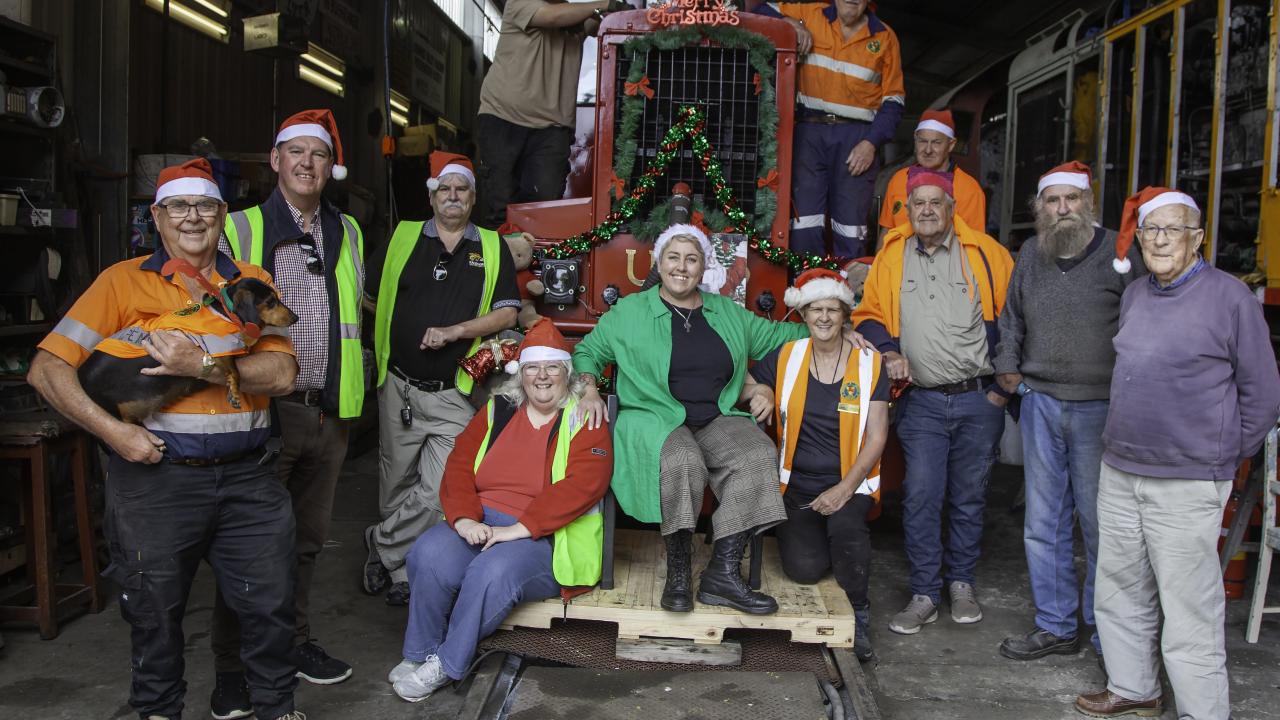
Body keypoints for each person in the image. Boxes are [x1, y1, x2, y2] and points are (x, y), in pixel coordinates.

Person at [26, 159, 304, 720]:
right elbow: (46, 370)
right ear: (157, 217)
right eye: (178, 207)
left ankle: (276, 709)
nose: (192, 218)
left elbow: (281, 377)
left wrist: (200, 364)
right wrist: (113, 432)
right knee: (152, 611)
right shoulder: (120, 282)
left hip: (249, 477)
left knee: (272, 605)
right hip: (155, 480)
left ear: (223, 215)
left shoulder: (250, 282)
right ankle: (158, 711)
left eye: (205, 206)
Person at [1075, 188, 1280, 720]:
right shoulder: (1137, 294)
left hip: (1188, 479)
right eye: (1150, 230)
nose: (1160, 240)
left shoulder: (1230, 298)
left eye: (1173, 229)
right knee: (1118, 586)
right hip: (1120, 467)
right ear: (1139, 238)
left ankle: (1202, 712)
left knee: (1190, 605)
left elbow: (1262, 391)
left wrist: (1226, 455)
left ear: (1198, 237)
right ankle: (1134, 687)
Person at [210, 108, 364, 714]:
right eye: (294, 152)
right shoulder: (240, 228)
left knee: (305, 543)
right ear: (274, 161)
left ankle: (292, 645)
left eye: (318, 154)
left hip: (328, 412)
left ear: (331, 166)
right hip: (261, 413)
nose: (307, 163)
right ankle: (232, 669)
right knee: (245, 547)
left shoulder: (348, 230)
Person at [573, 224, 810, 615]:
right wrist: (588, 388)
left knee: (756, 454)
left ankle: (723, 573)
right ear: (658, 262)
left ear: (703, 269)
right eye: (673, 257)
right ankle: (679, 570)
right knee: (681, 459)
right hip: (655, 418)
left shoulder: (727, 312)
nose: (681, 267)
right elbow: (587, 353)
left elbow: (781, 335)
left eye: (691, 259)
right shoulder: (630, 311)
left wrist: (834, 329)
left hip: (717, 415)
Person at [387, 319, 612, 702]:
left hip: (546, 536)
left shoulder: (583, 415)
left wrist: (518, 529)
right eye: (533, 368)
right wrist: (464, 518)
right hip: (482, 519)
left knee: (491, 571)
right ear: (520, 373)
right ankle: (419, 653)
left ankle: (447, 662)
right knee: (427, 552)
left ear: (566, 372)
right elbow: (458, 463)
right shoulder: (499, 409)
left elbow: (585, 485)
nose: (542, 377)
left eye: (552, 367)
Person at [992, 162, 1145, 664]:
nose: (1062, 210)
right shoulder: (1032, 255)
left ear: (1088, 203)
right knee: (1043, 521)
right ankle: (1056, 625)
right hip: (1040, 401)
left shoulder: (1121, 256)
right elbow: (1011, 317)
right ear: (1040, 208)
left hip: (1101, 408)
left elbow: (1144, 326)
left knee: (1100, 523)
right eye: (1052, 201)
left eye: (1071, 200)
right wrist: (1008, 367)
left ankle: (1106, 631)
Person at [850, 167, 1013, 635]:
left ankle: (961, 584)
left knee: (969, 497)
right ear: (907, 209)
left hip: (979, 400)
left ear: (951, 208)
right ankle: (924, 593)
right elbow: (868, 315)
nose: (925, 210)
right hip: (920, 401)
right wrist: (887, 349)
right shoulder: (892, 255)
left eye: (934, 202)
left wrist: (1003, 389)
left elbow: (1016, 318)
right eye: (916, 203)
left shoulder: (986, 254)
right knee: (921, 496)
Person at [365, 151, 522, 606]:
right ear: (432, 195)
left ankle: (379, 543)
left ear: (473, 198)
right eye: (445, 188)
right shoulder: (402, 237)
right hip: (399, 385)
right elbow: (369, 296)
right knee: (394, 485)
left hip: (455, 390)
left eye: (462, 189)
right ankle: (401, 572)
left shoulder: (491, 246)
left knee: (438, 490)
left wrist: (455, 331)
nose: (453, 196)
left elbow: (508, 312)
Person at [741, 268, 889, 661]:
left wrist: (843, 490)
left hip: (850, 482)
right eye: (815, 310)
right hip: (798, 485)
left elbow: (876, 436)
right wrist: (763, 390)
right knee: (804, 570)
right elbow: (743, 383)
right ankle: (825, 545)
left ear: (845, 315)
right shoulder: (788, 356)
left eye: (832, 310)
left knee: (846, 528)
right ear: (803, 315)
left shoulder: (870, 363)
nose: (824, 317)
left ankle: (859, 612)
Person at [748, 0, 905, 258]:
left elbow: (894, 102)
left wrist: (871, 144)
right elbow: (761, 11)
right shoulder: (810, 15)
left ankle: (846, 294)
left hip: (858, 139)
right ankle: (807, 290)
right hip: (809, 132)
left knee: (851, 229)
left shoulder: (885, 37)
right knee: (803, 223)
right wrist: (788, 25)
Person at [475, 0, 624, 227]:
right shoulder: (520, 3)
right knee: (500, 210)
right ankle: (499, 262)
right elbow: (553, 17)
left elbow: (600, 25)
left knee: (543, 211)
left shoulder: (576, 16)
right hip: (503, 118)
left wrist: (629, 13)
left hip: (552, 128)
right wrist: (606, 4)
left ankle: (534, 262)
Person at [878, 109, 986, 241]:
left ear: (951, 145)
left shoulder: (970, 190)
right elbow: (887, 232)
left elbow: (975, 244)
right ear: (915, 140)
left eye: (936, 143)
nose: (928, 150)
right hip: (898, 261)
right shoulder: (899, 179)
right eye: (922, 141)